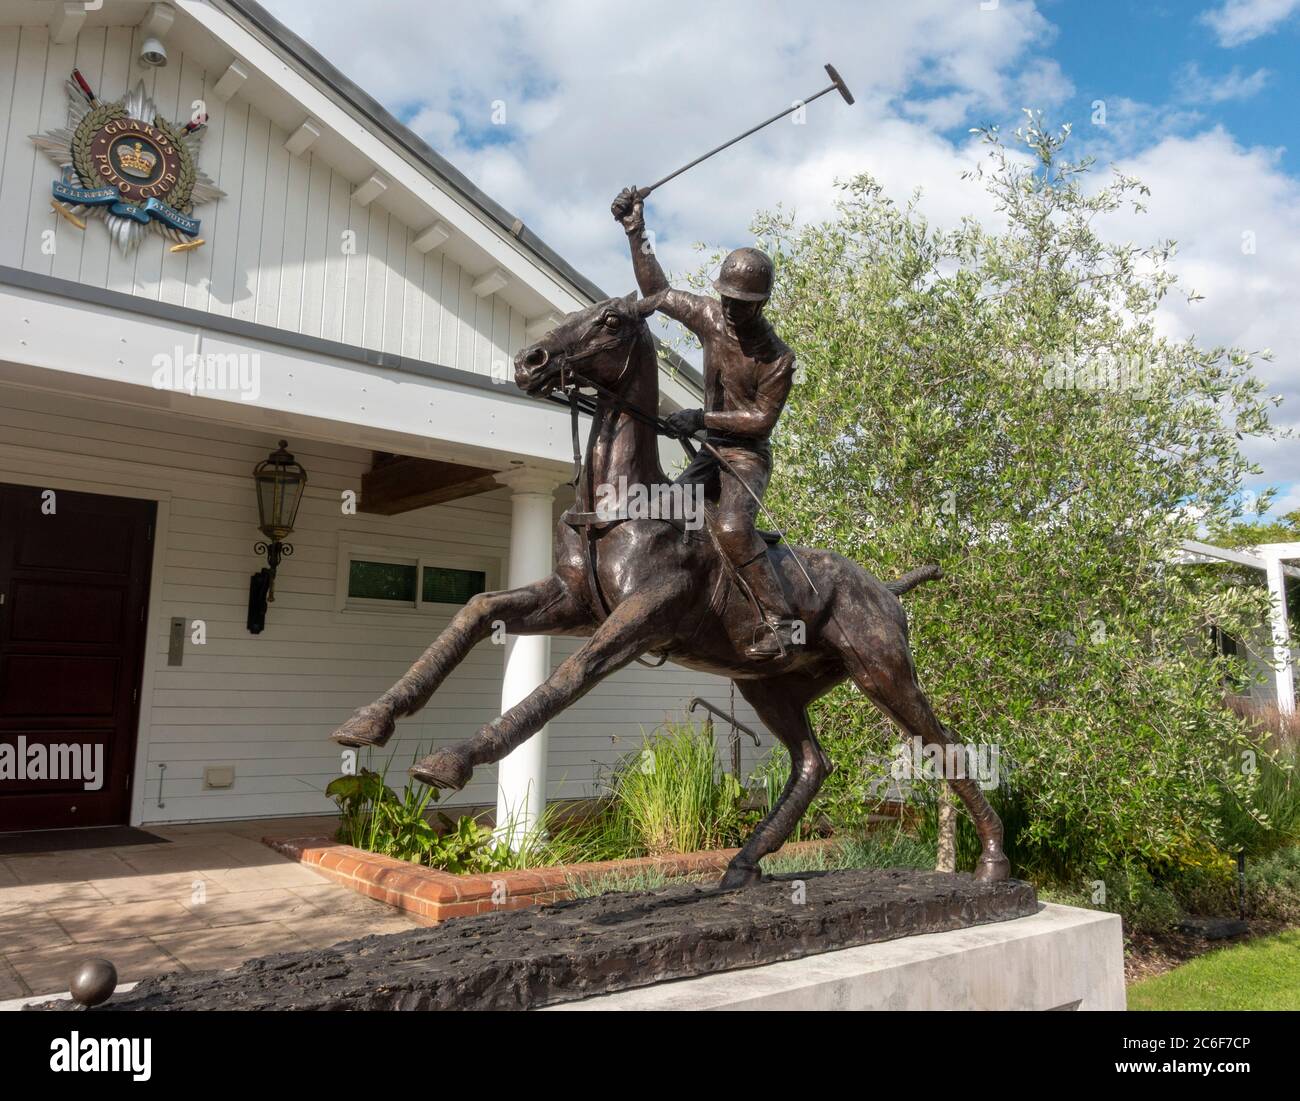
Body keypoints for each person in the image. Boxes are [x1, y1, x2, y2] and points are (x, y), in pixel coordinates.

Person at [612, 185, 799, 658]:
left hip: (745, 457)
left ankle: (779, 621)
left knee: (733, 528)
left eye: (741, 302)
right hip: (709, 451)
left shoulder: (776, 358)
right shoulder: (711, 318)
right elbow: (657, 292)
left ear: (760, 304)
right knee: (658, 511)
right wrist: (636, 230)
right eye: (727, 298)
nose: (731, 308)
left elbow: (761, 420)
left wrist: (701, 417)